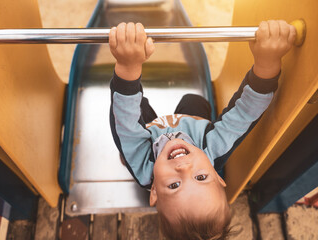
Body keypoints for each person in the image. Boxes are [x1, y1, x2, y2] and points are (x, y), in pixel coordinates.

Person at [108, 21, 295, 239]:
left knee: (133, 121)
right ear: (218, 176)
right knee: (193, 100)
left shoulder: (144, 163)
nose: (184, 167)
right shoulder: (214, 147)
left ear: (155, 192)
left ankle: (126, 154)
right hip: (190, 123)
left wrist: (128, 69)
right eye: (201, 177)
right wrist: (267, 64)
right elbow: (246, 113)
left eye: (174, 185)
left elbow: (124, 123)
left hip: (150, 134)